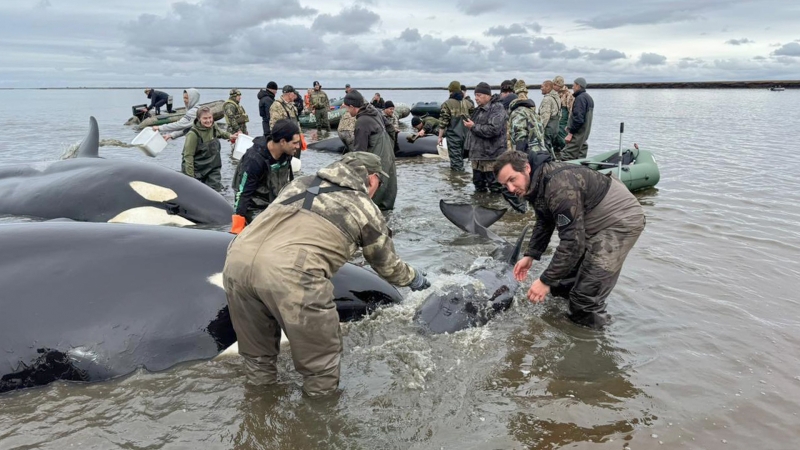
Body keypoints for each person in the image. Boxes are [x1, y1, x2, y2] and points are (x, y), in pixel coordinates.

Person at [223, 151, 431, 396]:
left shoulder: (300, 182)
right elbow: (387, 267)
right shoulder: (364, 207)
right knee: (320, 368)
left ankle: (259, 411)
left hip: (236, 259)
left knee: (257, 358)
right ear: (372, 179)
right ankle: (317, 423)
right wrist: (416, 279)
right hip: (291, 274)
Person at [493, 150, 645, 329]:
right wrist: (531, 255)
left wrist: (544, 281)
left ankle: (590, 344)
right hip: (591, 220)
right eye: (505, 185)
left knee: (585, 298)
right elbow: (544, 220)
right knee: (561, 284)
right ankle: (564, 324)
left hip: (620, 221)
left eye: (512, 180)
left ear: (526, 168)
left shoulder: (559, 186)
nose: (510, 189)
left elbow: (573, 244)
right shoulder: (536, 182)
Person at [230, 119, 301, 234]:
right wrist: (237, 228)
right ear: (282, 141)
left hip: (275, 200)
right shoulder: (254, 159)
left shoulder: (287, 153)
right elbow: (242, 194)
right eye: (295, 143)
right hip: (254, 205)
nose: (298, 146)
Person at [343, 90, 397, 211]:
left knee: (372, 205)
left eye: (347, 108)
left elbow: (359, 154)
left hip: (376, 167)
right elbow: (391, 129)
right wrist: (391, 151)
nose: (347, 111)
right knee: (387, 202)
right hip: (389, 160)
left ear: (352, 107)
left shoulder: (361, 122)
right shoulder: (376, 113)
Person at [464, 82, 507, 193]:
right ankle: (480, 207)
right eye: (475, 95)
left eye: (479, 95)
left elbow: (493, 130)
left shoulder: (497, 108)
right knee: (478, 185)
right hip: (477, 157)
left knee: (494, 187)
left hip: (491, 156)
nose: (476, 98)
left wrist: (473, 126)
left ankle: (495, 208)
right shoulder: (478, 109)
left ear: (488, 95)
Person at [182, 106, 236, 191]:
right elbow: (188, 157)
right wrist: (190, 179)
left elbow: (220, 133)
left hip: (212, 168)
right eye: (205, 118)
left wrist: (230, 136)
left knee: (216, 191)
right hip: (196, 170)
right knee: (198, 193)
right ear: (199, 119)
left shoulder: (213, 126)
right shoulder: (193, 135)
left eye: (210, 117)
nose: (208, 121)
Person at [437, 81, 474, 171]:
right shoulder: (469, 104)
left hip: (454, 137)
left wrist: (440, 137)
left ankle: (458, 182)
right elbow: (474, 120)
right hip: (467, 137)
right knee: (464, 159)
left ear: (450, 91)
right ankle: (465, 181)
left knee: (456, 164)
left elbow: (443, 123)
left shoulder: (447, 104)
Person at [508, 79, 545, 153]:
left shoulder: (518, 112)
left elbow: (520, 136)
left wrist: (519, 156)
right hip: (539, 152)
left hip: (526, 155)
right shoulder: (533, 112)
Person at [562, 77, 594, 161]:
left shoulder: (580, 98)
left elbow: (578, 118)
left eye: (574, 85)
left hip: (577, 133)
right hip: (584, 134)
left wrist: (570, 132)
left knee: (567, 155)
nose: (572, 87)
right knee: (581, 154)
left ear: (578, 86)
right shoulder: (588, 98)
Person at [269, 85, 302, 159]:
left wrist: (301, 137)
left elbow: (297, 122)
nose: (295, 96)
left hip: (295, 141)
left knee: (296, 162)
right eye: (294, 94)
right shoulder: (277, 106)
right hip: (286, 142)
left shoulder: (293, 106)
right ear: (289, 94)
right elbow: (274, 126)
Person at [538, 80, 562, 154]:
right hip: (555, 127)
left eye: (542, 87)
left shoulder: (547, 99)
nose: (541, 88)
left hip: (548, 128)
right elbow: (560, 113)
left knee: (545, 148)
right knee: (552, 148)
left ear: (548, 87)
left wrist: (539, 129)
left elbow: (545, 117)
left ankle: (548, 163)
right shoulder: (557, 97)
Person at [552, 75, 574, 155]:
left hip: (564, 122)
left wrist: (569, 125)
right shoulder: (555, 94)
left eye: (554, 85)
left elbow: (571, 111)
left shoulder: (568, 95)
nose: (553, 86)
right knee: (555, 138)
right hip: (557, 121)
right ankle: (557, 154)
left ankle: (566, 155)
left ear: (559, 85)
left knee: (563, 139)